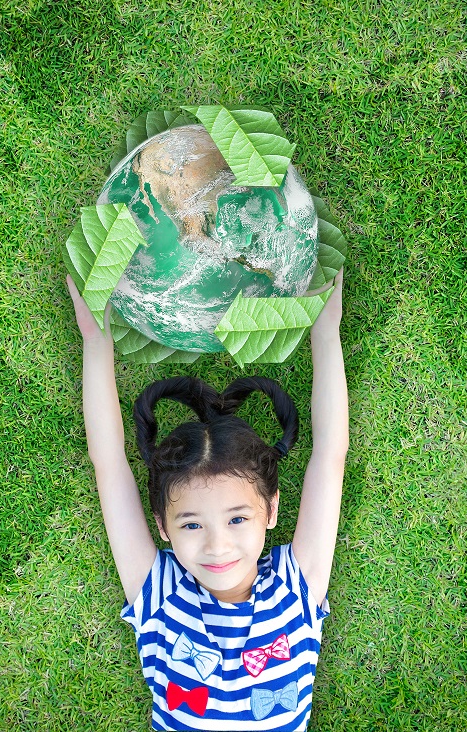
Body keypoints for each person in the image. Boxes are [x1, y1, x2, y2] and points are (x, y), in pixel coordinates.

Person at [65, 271, 347, 731]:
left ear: (271, 510)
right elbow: (109, 465)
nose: (217, 546)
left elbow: (330, 458)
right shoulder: (159, 594)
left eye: (237, 518)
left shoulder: (298, 588)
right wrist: (94, 341)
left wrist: (324, 330)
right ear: (162, 526)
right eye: (192, 525)